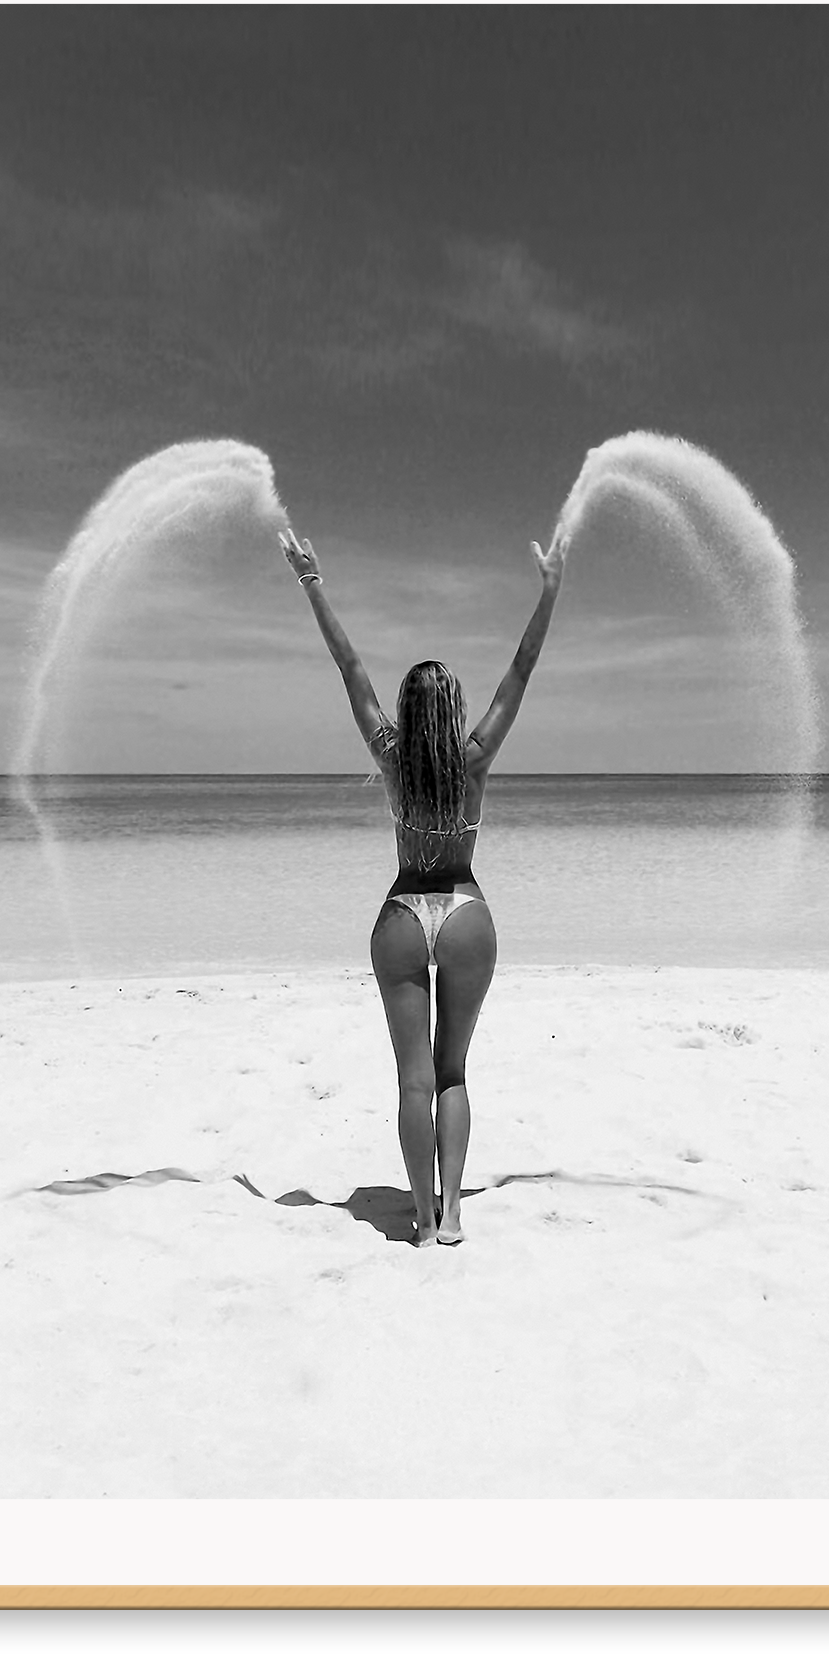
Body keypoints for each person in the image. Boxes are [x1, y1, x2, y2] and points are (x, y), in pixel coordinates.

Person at [279, 525, 567, 1247]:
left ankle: (422, 1213)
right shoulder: (476, 759)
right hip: (466, 910)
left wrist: (313, 583)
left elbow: (349, 668)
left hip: (404, 913)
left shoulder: (391, 758)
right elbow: (521, 672)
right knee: (452, 1074)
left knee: (412, 1080)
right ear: (457, 711)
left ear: (409, 713)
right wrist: (550, 590)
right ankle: (456, 1215)